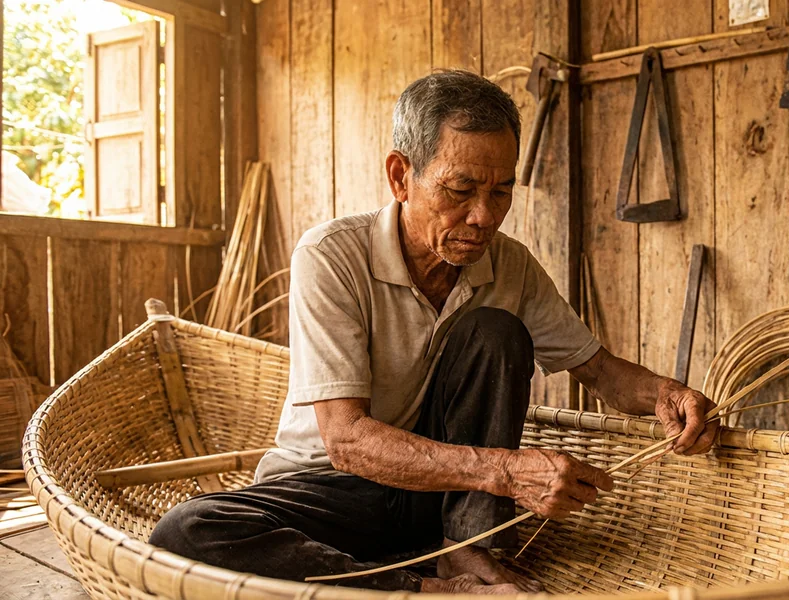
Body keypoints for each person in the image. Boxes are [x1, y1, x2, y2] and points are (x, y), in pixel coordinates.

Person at [149, 70, 719, 594]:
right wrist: (506, 471)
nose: (483, 216)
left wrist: (668, 395)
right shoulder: (330, 257)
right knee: (188, 529)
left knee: (497, 332)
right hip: (332, 492)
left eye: (500, 192)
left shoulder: (508, 264)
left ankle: (464, 552)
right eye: (460, 189)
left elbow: (596, 370)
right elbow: (346, 442)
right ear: (401, 176)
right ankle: (418, 590)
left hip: (447, 504)